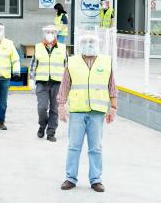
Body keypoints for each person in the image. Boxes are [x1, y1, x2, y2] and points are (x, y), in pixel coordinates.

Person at [58, 33, 117, 192]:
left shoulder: (106, 61)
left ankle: (96, 180)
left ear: (98, 44)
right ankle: (70, 178)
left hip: (97, 113)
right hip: (77, 111)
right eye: (85, 42)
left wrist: (113, 107)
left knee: (95, 147)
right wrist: (61, 106)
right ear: (79, 45)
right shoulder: (72, 61)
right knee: (74, 146)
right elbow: (65, 85)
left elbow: (112, 86)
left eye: (92, 42)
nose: (89, 44)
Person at [30, 25, 67, 142]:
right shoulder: (38, 47)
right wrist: (31, 79)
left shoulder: (62, 48)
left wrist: (68, 84)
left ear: (56, 34)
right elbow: (33, 65)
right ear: (44, 34)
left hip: (58, 83)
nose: (50, 34)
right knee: (42, 107)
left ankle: (51, 132)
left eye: (52, 32)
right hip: (42, 82)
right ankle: (42, 124)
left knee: (54, 109)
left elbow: (67, 67)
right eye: (48, 32)